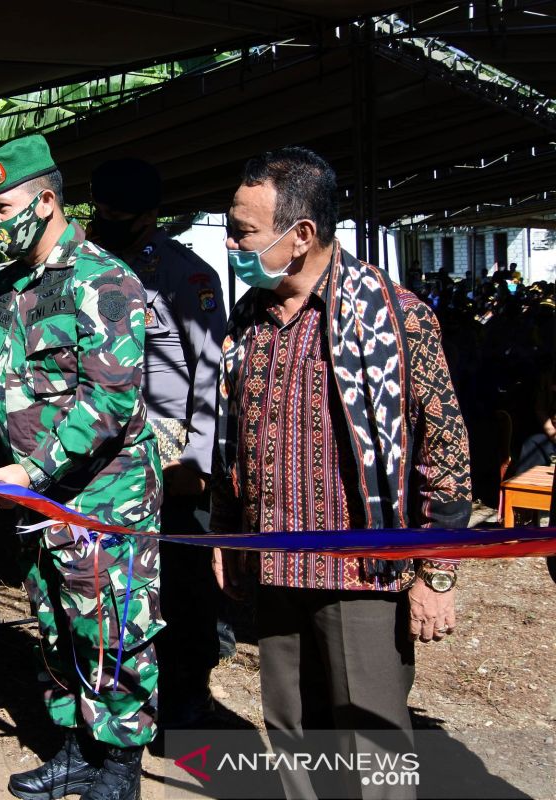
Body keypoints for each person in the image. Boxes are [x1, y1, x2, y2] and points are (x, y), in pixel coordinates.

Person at [212, 147, 471, 799]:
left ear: (300, 235)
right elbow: (230, 439)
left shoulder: (394, 316)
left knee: (374, 752)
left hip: (363, 578)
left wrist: (436, 573)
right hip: (274, 569)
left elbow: (445, 448)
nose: (232, 243)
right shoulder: (250, 319)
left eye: (243, 231)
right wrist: (227, 535)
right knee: (292, 733)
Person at [0, 135, 162, 800]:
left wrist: (31, 473)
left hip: (103, 500)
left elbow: (108, 403)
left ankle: (119, 768)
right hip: (34, 502)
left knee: (113, 631)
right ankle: (74, 747)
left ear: (44, 202)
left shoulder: (105, 280)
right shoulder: (5, 289)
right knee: (55, 623)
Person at [90, 157, 226, 729]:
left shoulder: (186, 276)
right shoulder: (84, 269)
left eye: (119, 215)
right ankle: (114, 694)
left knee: (183, 586)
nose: (105, 223)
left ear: (149, 217)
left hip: (170, 462)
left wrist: (196, 458)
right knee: (110, 582)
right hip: (101, 459)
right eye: (100, 212)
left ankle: (187, 694)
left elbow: (210, 371)